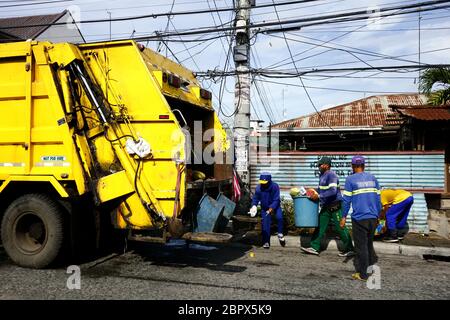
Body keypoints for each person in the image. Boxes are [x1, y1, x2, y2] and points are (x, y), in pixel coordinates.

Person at [301, 156, 354, 257]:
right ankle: (314, 247)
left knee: (341, 228)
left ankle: (350, 249)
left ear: (326, 165)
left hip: (336, 207)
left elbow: (333, 191)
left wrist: (319, 196)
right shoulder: (322, 175)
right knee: (320, 226)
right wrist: (312, 192)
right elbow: (321, 190)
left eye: (320, 164)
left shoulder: (331, 175)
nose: (319, 166)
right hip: (326, 207)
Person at [341, 155, 381, 281]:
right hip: (373, 217)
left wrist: (343, 216)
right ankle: (369, 266)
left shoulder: (350, 179)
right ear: (364, 165)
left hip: (360, 218)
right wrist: (378, 215)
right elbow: (378, 199)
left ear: (353, 166)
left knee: (361, 247)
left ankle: (363, 274)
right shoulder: (373, 178)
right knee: (369, 244)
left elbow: (346, 200)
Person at [249, 172, 286, 249]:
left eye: (265, 182)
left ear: (269, 181)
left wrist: (271, 208)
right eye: (261, 182)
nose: (263, 184)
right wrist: (254, 206)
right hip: (265, 207)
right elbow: (255, 198)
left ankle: (280, 233)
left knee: (279, 218)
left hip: (275, 206)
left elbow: (276, 199)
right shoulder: (259, 188)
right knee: (265, 224)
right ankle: (266, 241)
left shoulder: (275, 186)